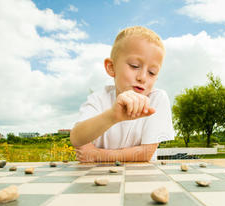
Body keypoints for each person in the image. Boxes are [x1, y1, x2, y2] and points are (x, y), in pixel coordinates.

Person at [70, 26, 174, 162]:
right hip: (96, 177)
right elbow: (76, 138)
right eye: (134, 66)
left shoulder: (157, 99)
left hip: (141, 179)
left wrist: (97, 155)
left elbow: (146, 153)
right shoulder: (99, 98)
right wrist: (112, 116)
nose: (142, 77)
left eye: (152, 73)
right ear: (111, 67)